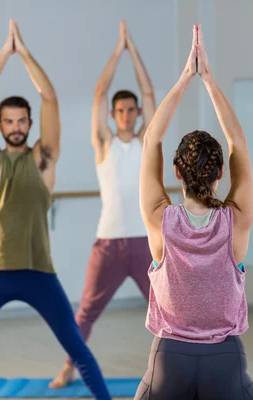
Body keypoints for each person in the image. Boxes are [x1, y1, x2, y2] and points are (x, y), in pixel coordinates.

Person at [0, 20, 111, 400]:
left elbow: (50, 99)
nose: (16, 127)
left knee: (76, 346)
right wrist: (2, 55)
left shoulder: (44, 158)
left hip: (38, 272)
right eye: (8, 121)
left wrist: (24, 54)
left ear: (29, 124)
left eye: (21, 121)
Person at [133, 25, 253, 399]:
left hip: (169, 360)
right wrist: (209, 80)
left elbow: (151, 139)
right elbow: (238, 141)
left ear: (176, 173)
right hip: (226, 361)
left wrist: (186, 77)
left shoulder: (161, 219)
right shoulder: (236, 220)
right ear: (222, 172)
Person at [51, 20, 156, 388]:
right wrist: (118, 51)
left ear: (138, 114)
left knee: (166, 309)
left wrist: (134, 52)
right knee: (86, 312)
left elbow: (148, 90)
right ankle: (68, 366)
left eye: (132, 110)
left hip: (145, 241)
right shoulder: (104, 144)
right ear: (113, 116)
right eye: (121, 110)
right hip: (109, 242)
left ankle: (173, 367)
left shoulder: (147, 141)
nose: (127, 114)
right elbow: (99, 92)